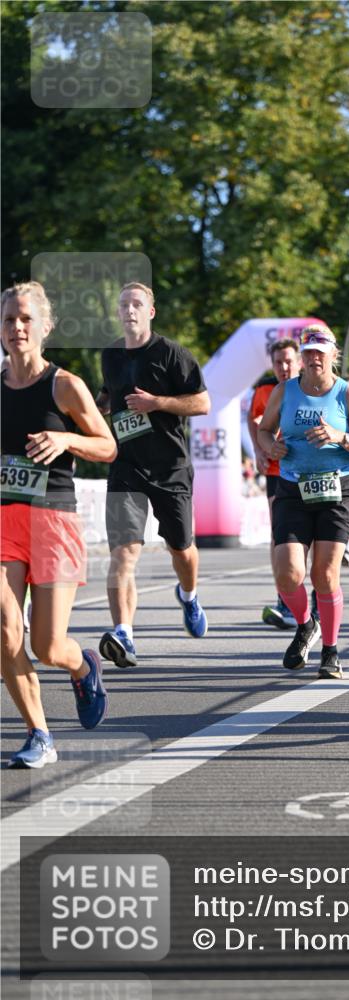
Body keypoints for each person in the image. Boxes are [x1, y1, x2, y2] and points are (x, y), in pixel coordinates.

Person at [1, 281, 116, 768]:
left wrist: (65, 439)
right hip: (4, 518)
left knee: (48, 645)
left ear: (45, 327)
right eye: (9, 319)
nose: (17, 327)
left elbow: (107, 446)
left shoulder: (64, 385)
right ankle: (39, 735)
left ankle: (82, 664)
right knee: (5, 632)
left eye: (26, 318)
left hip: (54, 519)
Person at [96, 283, 210, 668]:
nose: (130, 310)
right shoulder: (110, 354)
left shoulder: (172, 353)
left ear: (151, 312)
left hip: (170, 466)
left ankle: (189, 594)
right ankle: (124, 633)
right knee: (124, 553)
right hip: (126, 466)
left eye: (137, 304)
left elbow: (203, 402)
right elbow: (107, 397)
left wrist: (157, 403)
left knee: (181, 548)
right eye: (124, 304)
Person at [257, 322, 349, 680]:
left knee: (324, 574)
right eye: (308, 353)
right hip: (293, 488)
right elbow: (264, 430)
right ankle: (305, 623)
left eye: (320, 354)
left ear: (333, 356)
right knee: (287, 573)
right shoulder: (284, 391)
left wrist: (341, 437)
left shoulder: (347, 394)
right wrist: (270, 446)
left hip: (338, 489)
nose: (314, 360)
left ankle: (330, 650)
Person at [247, 338, 302, 629]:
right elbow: (253, 416)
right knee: (280, 533)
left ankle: (315, 597)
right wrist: (258, 449)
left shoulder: (313, 386)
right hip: (277, 470)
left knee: (311, 537)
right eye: (278, 362)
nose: (283, 367)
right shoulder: (266, 389)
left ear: (300, 361)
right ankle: (285, 596)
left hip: (309, 470)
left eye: (289, 361)